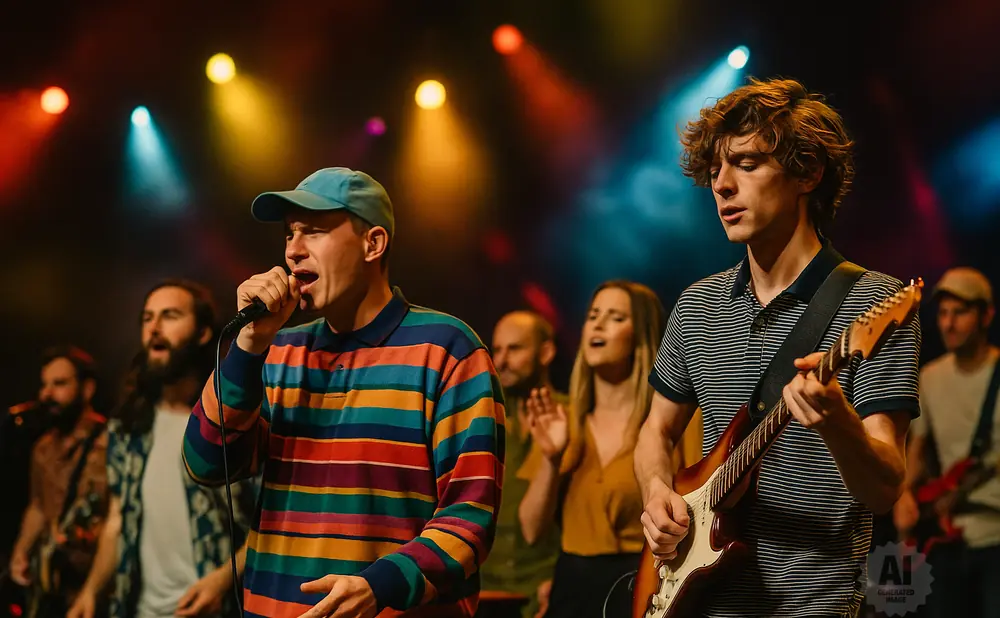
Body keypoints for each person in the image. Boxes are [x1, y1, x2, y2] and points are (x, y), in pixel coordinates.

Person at [634, 78, 921, 617]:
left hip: (815, 604)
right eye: (716, 169)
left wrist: (837, 422)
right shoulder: (698, 303)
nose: (721, 185)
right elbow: (656, 428)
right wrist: (656, 490)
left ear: (808, 173)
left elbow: (885, 487)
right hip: (702, 601)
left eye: (746, 164)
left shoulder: (874, 302)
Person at [182, 167, 506, 618]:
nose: (294, 250)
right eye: (289, 234)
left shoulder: (448, 350)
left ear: (373, 244)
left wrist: (380, 586)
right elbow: (204, 461)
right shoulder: (278, 350)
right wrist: (250, 345)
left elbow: (470, 518)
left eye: (313, 232)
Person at [68, 280, 256, 618]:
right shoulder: (128, 429)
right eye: (147, 318)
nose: (154, 328)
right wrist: (90, 591)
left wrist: (222, 581)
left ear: (202, 333)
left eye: (169, 315)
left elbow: (271, 519)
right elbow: (118, 520)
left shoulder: (232, 422)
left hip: (214, 608)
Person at [519, 280, 667, 618]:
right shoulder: (563, 419)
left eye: (615, 317)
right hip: (572, 589)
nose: (597, 325)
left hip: (646, 584)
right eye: (593, 315)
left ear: (642, 335)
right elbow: (531, 530)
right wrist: (551, 459)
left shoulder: (669, 425)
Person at [894, 267, 1000, 618]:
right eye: (942, 313)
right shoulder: (930, 376)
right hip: (945, 536)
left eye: (961, 312)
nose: (949, 323)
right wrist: (906, 494)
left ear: (986, 315)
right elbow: (918, 448)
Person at [8, 346, 107, 617]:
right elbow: (39, 505)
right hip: (51, 589)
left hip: (94, 593)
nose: (46, 394)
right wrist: (21, 550)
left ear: (87, 389)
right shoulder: (42, 447)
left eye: (59, 384)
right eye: (44, 385)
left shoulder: (110, 443)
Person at [484, 310, 563, 618]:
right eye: (497, 350)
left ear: (546, 352)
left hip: (544, 593)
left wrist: (563, 578)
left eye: (514, 349)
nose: (501, 361)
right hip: (482, 593)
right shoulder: (482, 420)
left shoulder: (572, 416)